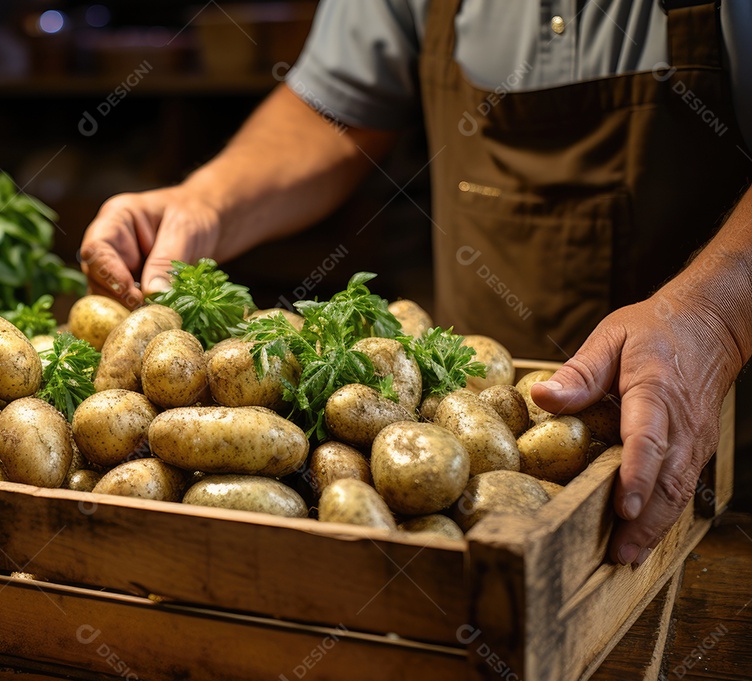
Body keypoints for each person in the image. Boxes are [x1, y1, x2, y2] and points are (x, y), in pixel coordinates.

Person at [78, 0, 752, 566]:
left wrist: (718, 316)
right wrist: (209, 200)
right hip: (475, 429)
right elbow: (337, 105)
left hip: (717, 459)